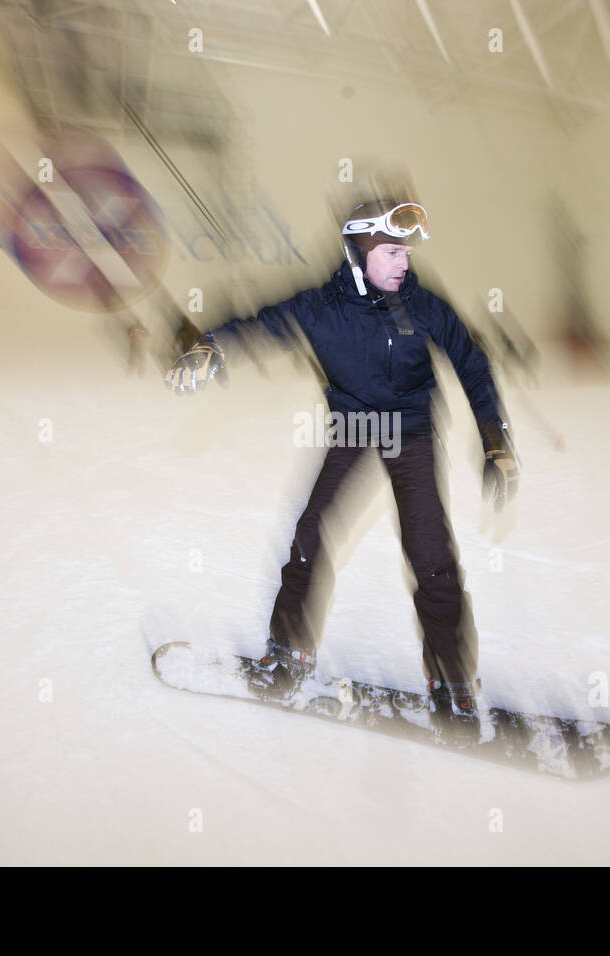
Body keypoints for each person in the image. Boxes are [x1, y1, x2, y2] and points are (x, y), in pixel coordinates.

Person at [164, 199, 519, 743]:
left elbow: (472, 363)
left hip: (412, 432)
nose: (404, 263)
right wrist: (212, 346)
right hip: (354, 427)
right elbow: (263, 320)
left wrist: (495, 440)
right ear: (360, 250)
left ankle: (452, 685)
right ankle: (287, 656)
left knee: (431, 556)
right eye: (393, 252)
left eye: (407, 253)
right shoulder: (322, 307)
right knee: (311, 536)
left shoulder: (423, 306)